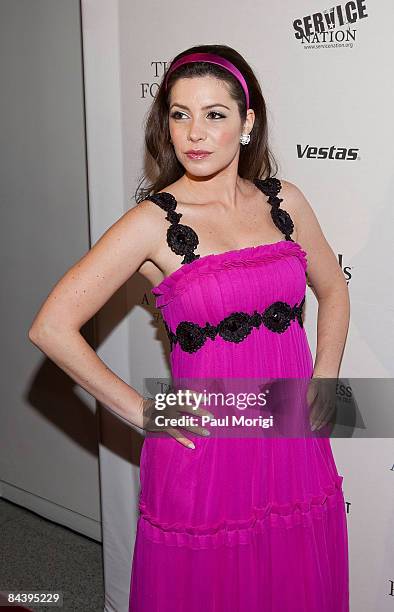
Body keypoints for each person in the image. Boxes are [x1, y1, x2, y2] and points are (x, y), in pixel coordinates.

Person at [29, 44, 350, 611]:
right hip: (204, 444)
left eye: (215, 115)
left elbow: (333, 289)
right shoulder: (153, 220)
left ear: (247, 123)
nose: (194, 134)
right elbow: (52, 327)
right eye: (180, 115)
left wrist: (324, 377)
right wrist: (140, 410)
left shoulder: (286, 202)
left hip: (289, 436)